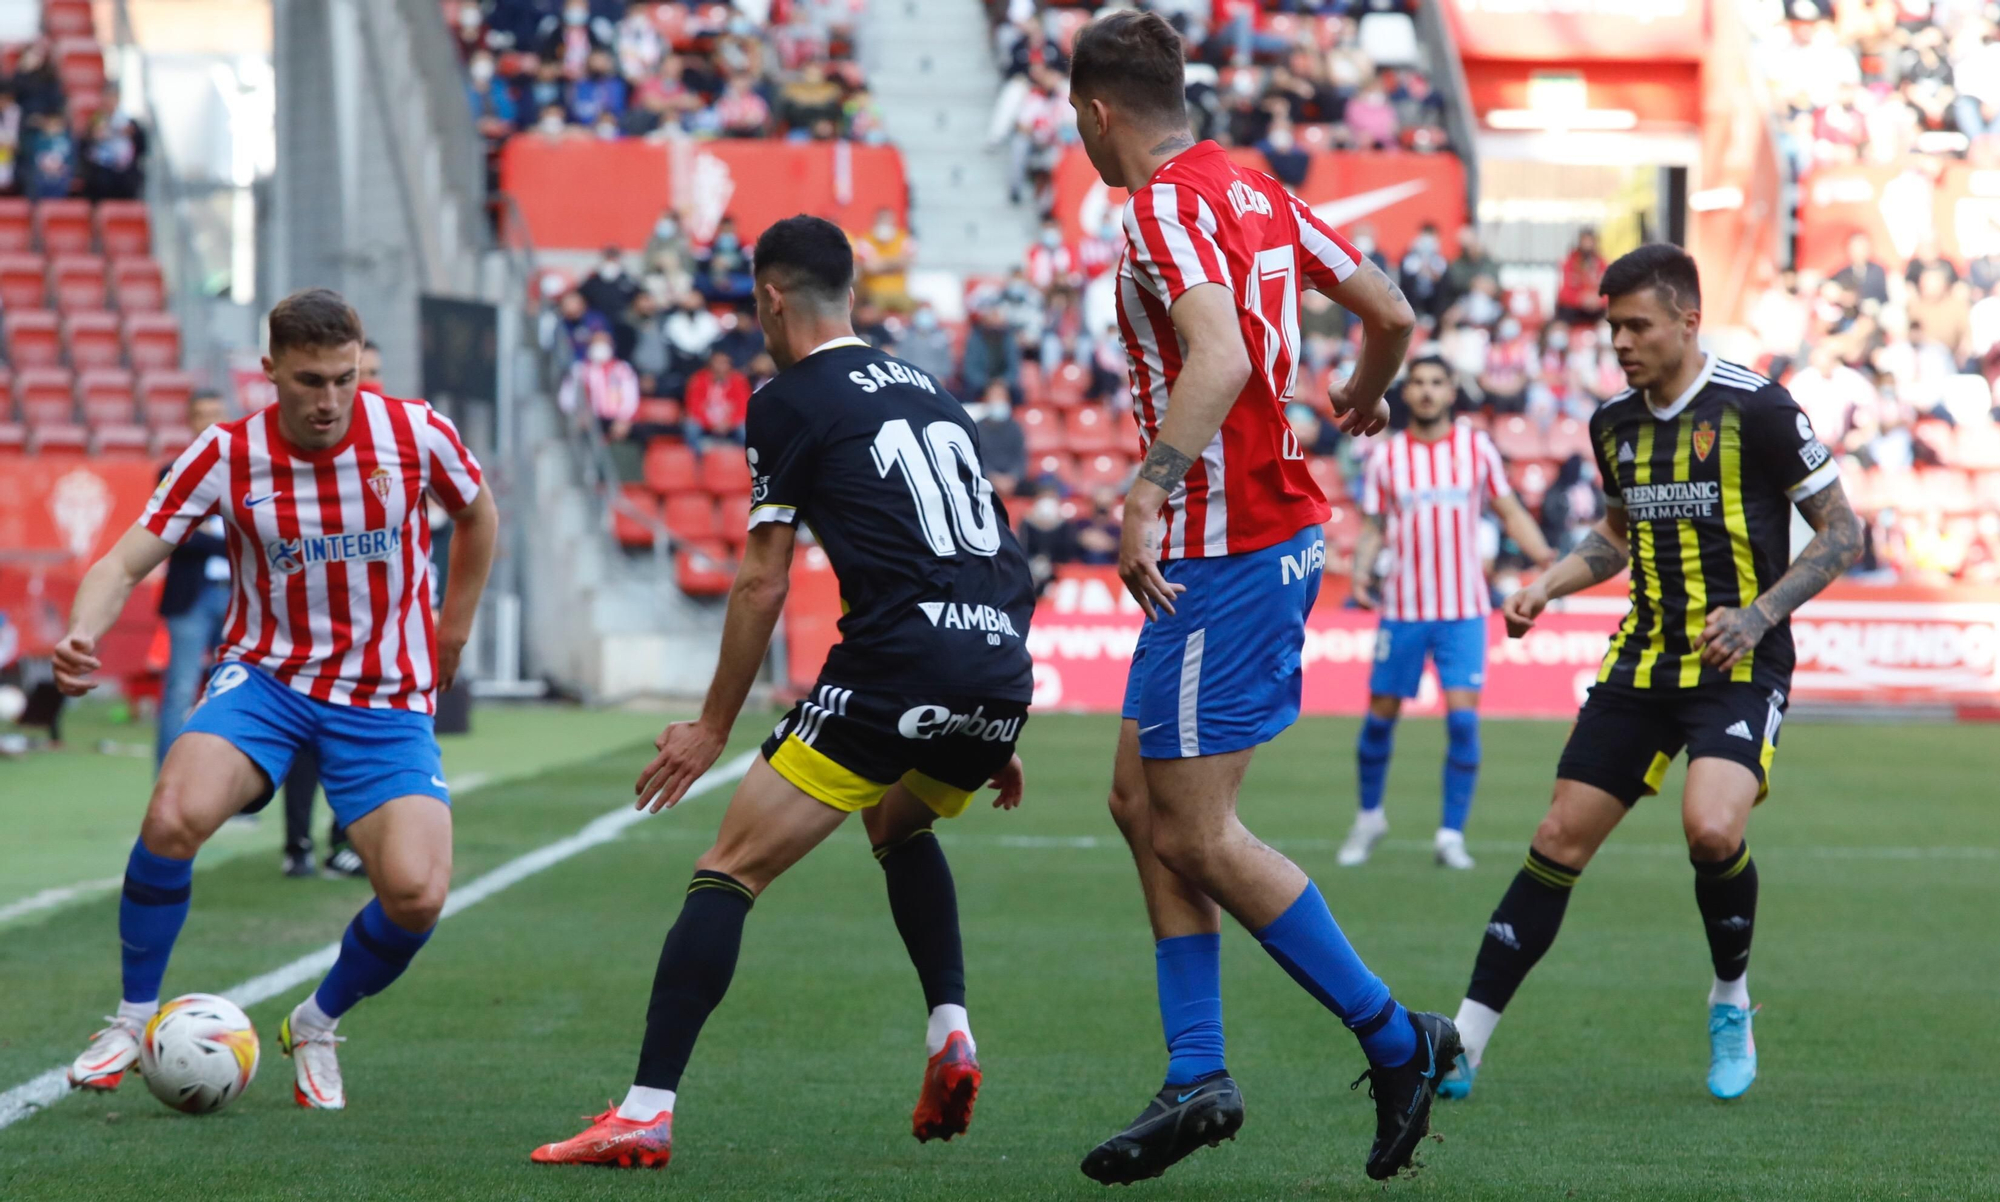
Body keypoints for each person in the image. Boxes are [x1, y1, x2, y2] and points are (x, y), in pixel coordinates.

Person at [532, 215, 1035, 1169]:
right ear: (850, 291)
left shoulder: (789, 399)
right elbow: (995, 551)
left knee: (730, 868)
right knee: (899, 823)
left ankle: (644, 1111)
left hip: (898, 669)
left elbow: (764, 578)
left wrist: (711, 726)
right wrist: (987, 708)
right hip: (996, 665)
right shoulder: (937, 393)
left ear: (770, 295)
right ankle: (948, 1026)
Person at [1065, 13, 1454, 1186]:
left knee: (1194, 825)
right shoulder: (1253, 188)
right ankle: (1197, 1072)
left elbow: (1220, 356)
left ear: (1095, 113)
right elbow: (1386, 308)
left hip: (1217, 544)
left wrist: (1144, 491)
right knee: (1140, 798)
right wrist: (1360, 393)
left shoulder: (1157, 210)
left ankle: (1397, 1039)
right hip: (1251, 535)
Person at [1435, 245, 1863, 1104]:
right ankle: (1464, 1044)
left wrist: (1758, 617)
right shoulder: (1613, 424)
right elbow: (1616, 535)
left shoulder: (1761, 409)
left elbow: (1842, 533)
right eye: (1612, 327)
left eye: (1637, 325)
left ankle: (1731, 1000)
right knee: (1557, 840)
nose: (1621, 342)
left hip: (1738, 659)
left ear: (1687, 320)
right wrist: (1546, 586)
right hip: (1643, 660)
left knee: (1710, 830)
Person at [56, 288, 499, 1110]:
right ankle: (131, 1017)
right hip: (268, 679)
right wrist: (84, 631)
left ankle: (318, 1021)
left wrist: (452, 632)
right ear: (269, 373)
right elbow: (122, 562)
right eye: (309, 381)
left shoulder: (414, 432)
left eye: (343, 378)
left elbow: (478, 516)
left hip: (385, 694)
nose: (330, 400)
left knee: (417, 893)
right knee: (171, 813)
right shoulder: (224, 454)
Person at [1337, 356, 1555, 871]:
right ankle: (1369, 817)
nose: (1428, 391)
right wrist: (1362, 574)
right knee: (1378, 720)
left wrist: (1548, 564)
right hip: (1404, 609)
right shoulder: (1387, 457)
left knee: (1462, 722)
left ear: (1452, 389)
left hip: (1463, 611)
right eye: (1418, 383)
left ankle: (1450, 835)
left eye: (1437, 382)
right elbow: (1373, 526)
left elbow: (1508, 510)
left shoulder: (1476, 449)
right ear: (1406, 393)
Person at [153, 391, 230, 772]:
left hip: (238, 598)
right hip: (192, 596)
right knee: (180, 690)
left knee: (235, 692)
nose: (209, 421)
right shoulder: (173, 470)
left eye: (215, 413)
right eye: (202, 414)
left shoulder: (245, 467)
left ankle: (229, 793)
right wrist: (228, 543)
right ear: (190, 421)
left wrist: (212, 539)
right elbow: (178, 536)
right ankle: (166, 787)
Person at [1554, 228, 1606, 326]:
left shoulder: (1602, 264)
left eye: (1590, 242)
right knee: (1559, 325)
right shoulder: (1568, 263)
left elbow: (1609, 291)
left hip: (1596, 309)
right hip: (1572, 308)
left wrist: (1597, 300)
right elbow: (1563, 293)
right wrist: (1580, 299)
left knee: (1608, 321)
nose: (1587, 245)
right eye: (1584, 241)